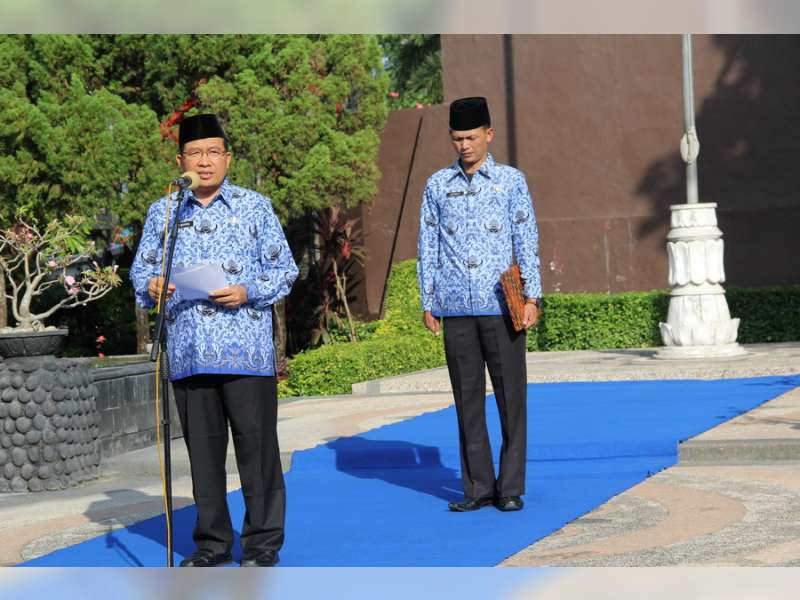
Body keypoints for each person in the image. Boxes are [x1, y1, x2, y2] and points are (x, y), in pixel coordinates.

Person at [131, 113, 298, 566]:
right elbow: (141, 270)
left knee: (256, 448)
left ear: (228, 158)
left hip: (245, 351)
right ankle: (212, 543)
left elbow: (284, 270)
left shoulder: (255, 207)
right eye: (194, 154)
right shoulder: (163, 211)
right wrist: (151, 286)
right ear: (181, 160)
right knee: (203, 454)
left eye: (213, 153)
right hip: (188, 352)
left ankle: (262, 544)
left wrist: (248, 291)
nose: (204, 162)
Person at [417, 97, 541, 512]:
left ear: (489, 134)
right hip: (455, 307)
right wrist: (427, 300)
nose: (464, 145)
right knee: (466, 399)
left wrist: (532, 296)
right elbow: (427, 245)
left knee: (511, 398)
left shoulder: (511, 181)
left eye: (471, 137)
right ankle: (477, 487)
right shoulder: (437, 185)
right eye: (457, 138)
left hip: (501, 305)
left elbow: (526, 239)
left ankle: (509, 487)